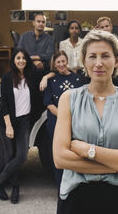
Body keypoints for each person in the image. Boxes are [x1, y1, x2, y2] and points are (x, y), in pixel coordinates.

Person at [53, 30, 118, 214]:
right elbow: (60, 158)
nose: (98, 63)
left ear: (117, 60)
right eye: (92, 56)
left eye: (105, 56)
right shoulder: (69, 99)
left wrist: (88, 151)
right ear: (84, 60)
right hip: (76, 199)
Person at [0, 48, 43, 204]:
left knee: (21, 156)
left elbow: (49, 73)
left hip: (24, 121)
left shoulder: (31, 76)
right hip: (7, 122)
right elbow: (4, 103)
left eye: (23, 58)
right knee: (9, 156)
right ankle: (15, 188)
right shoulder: (7, 78)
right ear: (13, 60)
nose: (21, 61)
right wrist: (8, 125)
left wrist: (48, 76)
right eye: (18, 58)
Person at [43, 50, 84, 186]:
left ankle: (74, 184)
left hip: (75, 122)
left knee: (74, 154)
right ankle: (61, 185)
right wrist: (65, 117)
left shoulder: (77, 79)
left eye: (63, 61)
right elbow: (49, 104)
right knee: (59, 155)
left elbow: (82, 101)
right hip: (56, 122)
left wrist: (72, 118)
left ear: (67, 61)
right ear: (55, 64)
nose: (61, 64)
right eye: (58, 62)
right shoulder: (51, 80)